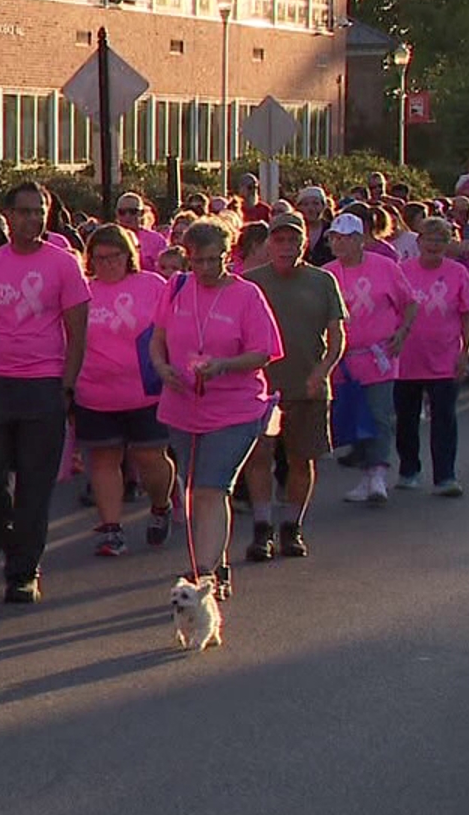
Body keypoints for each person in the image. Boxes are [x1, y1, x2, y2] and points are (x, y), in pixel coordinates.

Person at [0, 181, 91, 604]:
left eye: (39, 212)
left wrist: (67, 386)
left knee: (35, 485)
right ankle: (10, 543)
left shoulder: (64, 264)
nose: (32, 220)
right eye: (24, 211)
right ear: (8, 215)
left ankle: (23, 570)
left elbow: (77, 333)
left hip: (44, 383)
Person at [148, 221, 283, 601]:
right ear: (187, 259)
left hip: (234, 408)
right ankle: (213, 561)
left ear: (229, 256)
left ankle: (206, 571)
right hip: (182, 404)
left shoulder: (247, 295)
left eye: (215, 260)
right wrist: (161, 368)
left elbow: (264, 351)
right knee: (195, 489)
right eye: (199, 262)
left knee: (212, 485)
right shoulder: (176, 289)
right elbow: (157, 339)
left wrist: (224, 365)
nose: (207, 269)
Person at [240, 213, 346, 560]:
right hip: (262, 389)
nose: (286, 247)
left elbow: (336, 336)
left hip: (307, 386)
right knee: (260, 458)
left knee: (302, 459)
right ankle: (262, 528)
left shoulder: (322, 281)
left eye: (293, 240)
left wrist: (323, 369)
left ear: (305, 242)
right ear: (268, 244)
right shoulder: (250, 282)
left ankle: (292, 527)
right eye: (279, 240)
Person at [75, 225, 176, 556]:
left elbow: (171, 331)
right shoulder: (84, 291)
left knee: (149, 458)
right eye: (99, 257)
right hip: (95, 392)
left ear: (128, 256)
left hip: (144, 391)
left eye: (113, 256)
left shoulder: (151, 285)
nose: (106, 263)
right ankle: (112, 529)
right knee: (104, 460)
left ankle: (161, 506)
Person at [323, 213, 418, 505]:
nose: (339, 243)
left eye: (346, 238)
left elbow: (410, 302)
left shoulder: (385, 267)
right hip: (343, 359)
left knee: (379, 414)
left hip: (379, 356)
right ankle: (366, 474)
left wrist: (402, 333)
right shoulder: (327, 274)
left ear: (360, 239)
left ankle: (377, 473)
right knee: (353, 416)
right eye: (334, 238)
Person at [394, 218, 469, 495]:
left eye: (441, 240)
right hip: (406, 359)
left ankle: (445, 476)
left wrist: (465, 353)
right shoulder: (402, 271)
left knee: (444, 419)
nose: (434, 245)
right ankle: (408, 470)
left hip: (444, 358)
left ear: (448, 244)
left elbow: (468, 316)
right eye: (429, 239)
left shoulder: (458, 273)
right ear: (418, 242)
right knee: (406, 419)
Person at [116, 192, 169, 272]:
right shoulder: (108, 239)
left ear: (141, 213)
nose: (127, 216)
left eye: (133, 211)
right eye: (122, 212)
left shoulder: (156, 240)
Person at [295, 186, 336, 266]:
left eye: (316, 203)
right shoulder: (294, 230)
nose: (311, 208)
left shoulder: (332, 230)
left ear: (323, 206)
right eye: (306, 204)